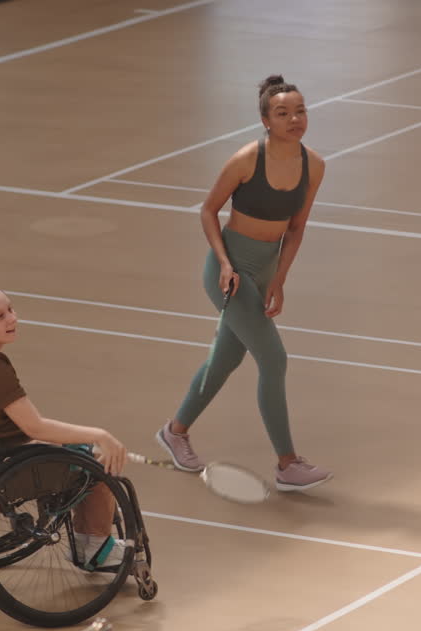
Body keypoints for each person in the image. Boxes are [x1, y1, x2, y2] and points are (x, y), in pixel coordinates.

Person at [156, 74, 333, 492]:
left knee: (226, 359)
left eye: (300, 111)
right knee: (273, 359)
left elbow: (296, 228)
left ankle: (175, 431)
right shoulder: (247, 160)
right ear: (266, 120)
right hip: (230, 271)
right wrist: (223, 264)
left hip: (265, 269)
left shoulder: (315, 166)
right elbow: (208, 211)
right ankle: (287, 464)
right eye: (283, 113)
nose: (294, 119)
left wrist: (280, 280)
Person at [0, 284, 129, 570]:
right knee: (100, 460)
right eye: (0, 316)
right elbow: (35, 427)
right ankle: (96, 548)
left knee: (77, 448)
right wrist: (101, 434)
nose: (12, 318)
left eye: (10, 310)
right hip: (7, 458)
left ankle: (87, 539)